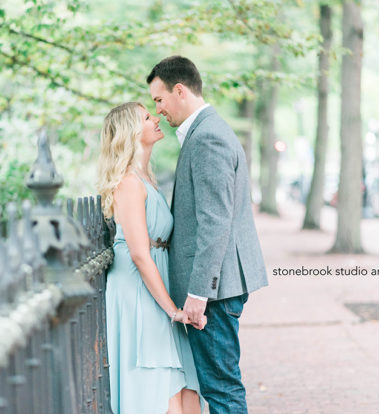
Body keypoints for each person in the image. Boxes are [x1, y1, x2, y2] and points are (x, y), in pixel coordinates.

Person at [147, 56, 268, 414]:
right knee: (220, 386)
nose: (159, 109)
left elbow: (215, 221)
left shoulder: (208, 138)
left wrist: (198, 293)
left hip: (213, 294)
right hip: (217, 289)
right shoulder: (206, 132)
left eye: (159, 99)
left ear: (179, 90)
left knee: (222, 389)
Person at [98, 102, 204, 414]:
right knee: (161, 390)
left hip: (157, 286)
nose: (156, 118)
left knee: (188, 394)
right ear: (131, 132)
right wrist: (172, 310)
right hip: (139, 289)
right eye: (147, 117)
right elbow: (140, 255)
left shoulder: (146, 178)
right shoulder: (129, 183)